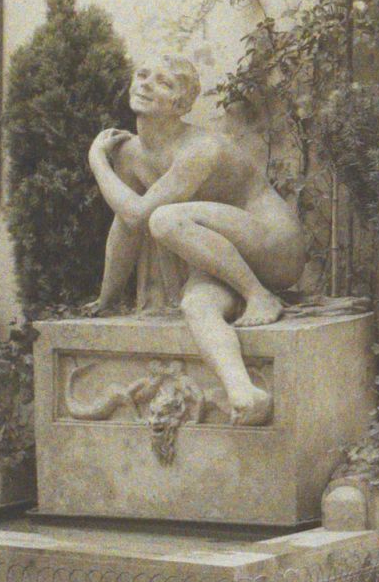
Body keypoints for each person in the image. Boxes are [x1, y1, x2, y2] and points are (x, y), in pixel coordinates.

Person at [88, 54, 307, 425]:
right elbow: (124, 226)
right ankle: (244, 393)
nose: (145, 84)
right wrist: (106, 298)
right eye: (142, 74)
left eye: (162, 82)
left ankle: (258, 295)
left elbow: (140, 215)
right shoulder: (130, 154)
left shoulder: (200, 149)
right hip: (222, 257)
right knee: (197, 306)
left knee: (165, 218)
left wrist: (96, 161)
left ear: (181, 104)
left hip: (272, 244)